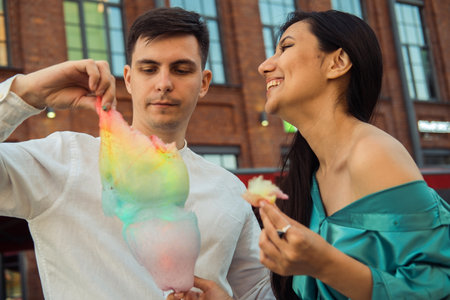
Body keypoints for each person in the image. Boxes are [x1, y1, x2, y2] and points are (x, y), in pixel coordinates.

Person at [170, 9, 450, 300]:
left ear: (337, 63)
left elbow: (440, 282)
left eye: (286, 47)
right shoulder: (313, 175)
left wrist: (324, 264)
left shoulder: (372, 153)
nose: (264, 66)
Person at [0, 7, 273, 299]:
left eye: (181, 70)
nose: (164, 83)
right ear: (128, 78)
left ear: (204, 83)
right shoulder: (67, 160)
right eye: (149, 69)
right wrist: (26, 93)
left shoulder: (228, 189)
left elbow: (258, 291)